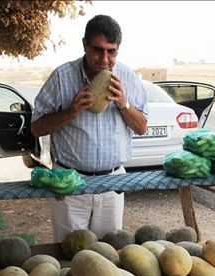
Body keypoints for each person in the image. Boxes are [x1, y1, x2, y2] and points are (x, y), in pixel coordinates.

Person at [31, 14, 148, 242]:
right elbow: (36, 128)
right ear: (84, 44)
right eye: (98, 49)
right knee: (70, 254)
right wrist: (69, 112)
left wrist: (124, 105)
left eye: (111, 51)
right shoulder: (62, 77)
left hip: (113, 183)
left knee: (108, 255)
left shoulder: (128, 77)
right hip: (69, 184)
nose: (104, 59)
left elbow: (142, 127)